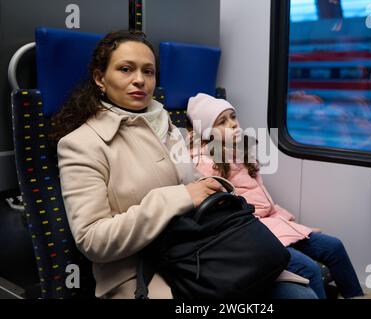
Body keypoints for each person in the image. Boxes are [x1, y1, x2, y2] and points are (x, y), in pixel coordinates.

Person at [51, 30, 316, 299]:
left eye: (148, 71)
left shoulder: (166, 125)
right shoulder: (81, 144)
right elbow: (93, 240)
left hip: (197, 246)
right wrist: (180, 197)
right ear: (100, 78)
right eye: (125, 69)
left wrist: (212, 186)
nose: (140, 80)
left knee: (301, 284)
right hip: (142, 271)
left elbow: (191, 183)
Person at [186, 93, 367, 299]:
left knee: (334, 246)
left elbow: (266, 203)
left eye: (233, 117)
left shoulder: (242, 153)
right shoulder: (206, 165)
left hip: (274, 225)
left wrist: (294, 225)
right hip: (252, 236)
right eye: (222, 122)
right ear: (208, 132)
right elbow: (226, 219)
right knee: (310, 269)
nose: (233, 124)